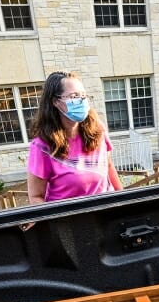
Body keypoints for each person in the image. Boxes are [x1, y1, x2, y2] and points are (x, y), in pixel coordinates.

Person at [26, 71, 121, 204]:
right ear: (55, 101)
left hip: (106, 214)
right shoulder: (42, 146)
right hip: (69, 220)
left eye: (83, 95)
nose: (81, 100)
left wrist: (124, 204)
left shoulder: (98, 130)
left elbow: (109, 167)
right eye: (74, 96)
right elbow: (36, 196)